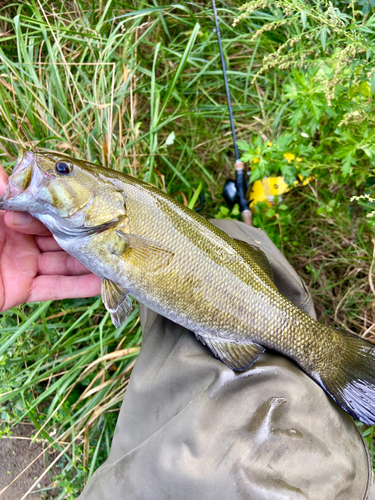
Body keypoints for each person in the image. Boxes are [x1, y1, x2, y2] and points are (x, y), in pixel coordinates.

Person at [0, 165, 374, 500]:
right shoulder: (101, 229)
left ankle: (332, 357)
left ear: (111, 201)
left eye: (62, 170)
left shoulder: (109, 228)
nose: (46, 170)